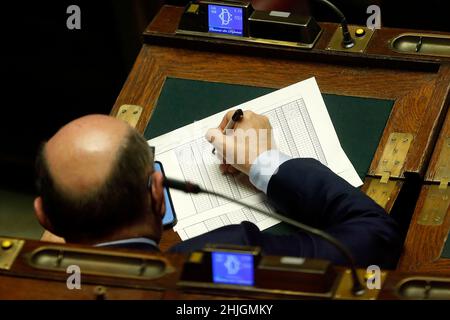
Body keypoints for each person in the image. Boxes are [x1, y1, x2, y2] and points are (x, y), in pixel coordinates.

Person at [34, 112, 401, 268]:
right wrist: (261, 159)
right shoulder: (222, 262)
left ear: (43, 217)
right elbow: (375, 236)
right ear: (158, 193)